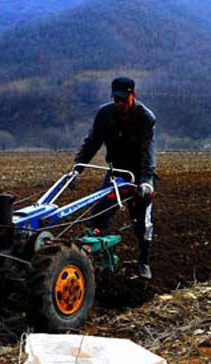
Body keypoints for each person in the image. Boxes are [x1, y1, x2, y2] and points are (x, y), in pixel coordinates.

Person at [74, 76, 157, 279]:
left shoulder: (145, 117)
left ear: (133, 96)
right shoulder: (105, 115)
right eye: (116, 99)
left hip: (139, 175)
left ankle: (144, 261)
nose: (120, 104)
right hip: (116, 173)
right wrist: (77, 168)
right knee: (98, 215)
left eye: (124, 99)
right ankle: (99, 260)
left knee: (142, 222)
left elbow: (147, 150)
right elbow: (92, 143)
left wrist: (146, 181)